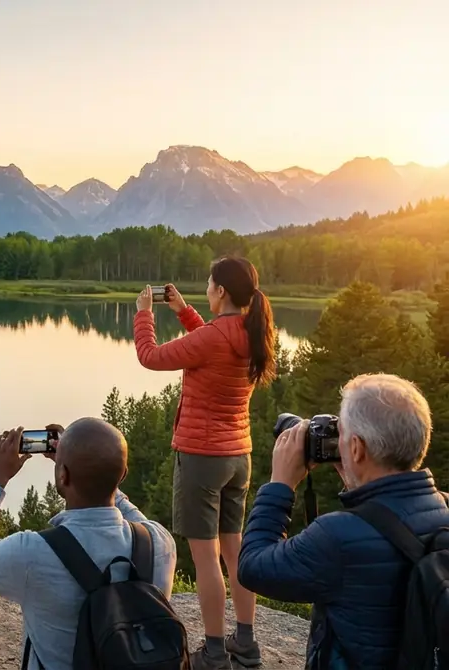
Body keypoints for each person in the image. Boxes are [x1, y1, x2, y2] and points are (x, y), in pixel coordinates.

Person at [239, 373, 449, 668]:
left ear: (356, 449)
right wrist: (359, 480)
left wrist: (280, 485)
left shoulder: (337, 536)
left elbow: (252, 567)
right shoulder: (445, 506)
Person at [133, 257, 276, 669]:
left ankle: (213, 652)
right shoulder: (254, 332)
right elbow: (211, 343)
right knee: (235, 552)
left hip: (201, 458)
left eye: (210, 284)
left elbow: (151, 355)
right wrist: (182, 311)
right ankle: (245, 643)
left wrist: (145, 315)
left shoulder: (216, 336)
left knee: (206, 557)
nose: (208, 289)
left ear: (221, 292)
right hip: (238, 457)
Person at [0, 418, 177, 670]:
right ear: (123, 476)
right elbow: (130, 512)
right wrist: (88, 467)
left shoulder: (34, 553)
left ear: (62, 475)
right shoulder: (159, 543)